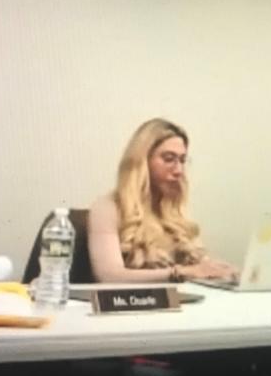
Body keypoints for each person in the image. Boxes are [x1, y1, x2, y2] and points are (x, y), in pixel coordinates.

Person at [87, 118, 235, 283]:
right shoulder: (108, 208)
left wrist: (220, 270)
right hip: (140, 304)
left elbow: (197, 267)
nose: (179, 170)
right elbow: (109, 275)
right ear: (142, 161)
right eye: (169, 159)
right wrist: (179, 273)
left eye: (182, 160)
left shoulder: (173, 211)